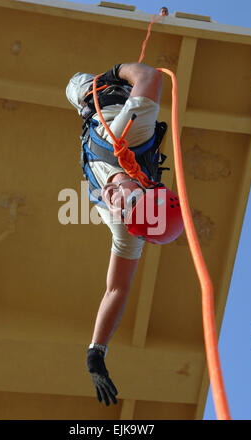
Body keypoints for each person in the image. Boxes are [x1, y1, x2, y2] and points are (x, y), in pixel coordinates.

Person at [66, 62, 167, 406]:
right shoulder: (131, 135)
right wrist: (115, 72)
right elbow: (151, 76)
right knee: (74, 84)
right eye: (131, 199)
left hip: (95, 133)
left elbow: (117, 288)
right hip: (106, 97)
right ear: (144, 181)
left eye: (125, 211)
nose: (118, 205)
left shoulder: (128, 226)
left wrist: (97, 350)